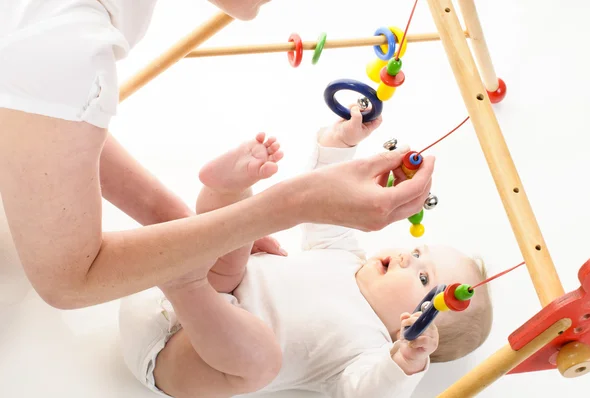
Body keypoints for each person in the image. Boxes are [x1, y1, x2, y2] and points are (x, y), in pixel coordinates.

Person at [0, 0, 434, 312]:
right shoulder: (65, 46)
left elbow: (43, 126)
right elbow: (68, 281)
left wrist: (187, 223)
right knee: (256, 361)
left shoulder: (69, 36)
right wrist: (286, 206)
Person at [118, 106, 493, 398]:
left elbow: (370, 391)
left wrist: (406, 362)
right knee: (237, 243)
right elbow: (329, 196)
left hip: (180, 361)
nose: (408, 259)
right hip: (191, 288)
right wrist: (341, 141)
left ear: (407, 327)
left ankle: (188, 282)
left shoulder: (369, 350)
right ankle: (228, 192)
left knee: (260, 358)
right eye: (416, 251)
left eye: (423, 277)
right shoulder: (342, 251)